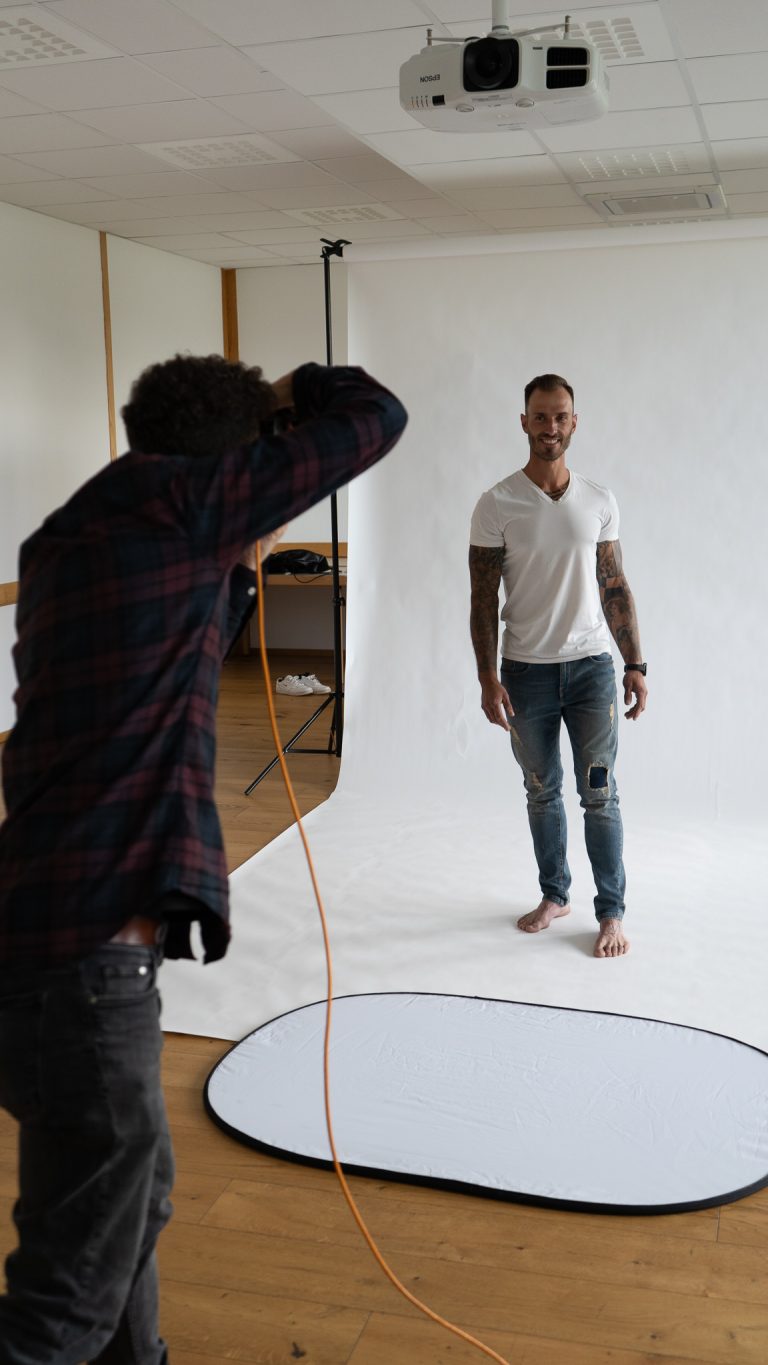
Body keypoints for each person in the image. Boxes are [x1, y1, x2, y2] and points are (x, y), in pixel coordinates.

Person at [0, 353, 407, 1363]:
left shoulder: (70, 536)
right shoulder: (188, 504)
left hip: (35, 942)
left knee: (124, 1208)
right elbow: (376, 414)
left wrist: (243, 557)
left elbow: (186, 642)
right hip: (91, 963)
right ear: (231, 461)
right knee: (64, 1300)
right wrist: (294, 393)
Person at [469, 373, 646, 960]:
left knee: (600, 793)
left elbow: (614, 584)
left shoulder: (598, 500)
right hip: (525, 674)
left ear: (575, 422)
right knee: (542, 792)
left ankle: (611, 912)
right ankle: (555, 895)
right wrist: (487, 677)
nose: (550, 427)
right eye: (540, 416)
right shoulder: (496, 503)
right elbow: (482, 599)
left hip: (592, 669)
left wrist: (635, 663)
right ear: (524, 422)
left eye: (560, 416)